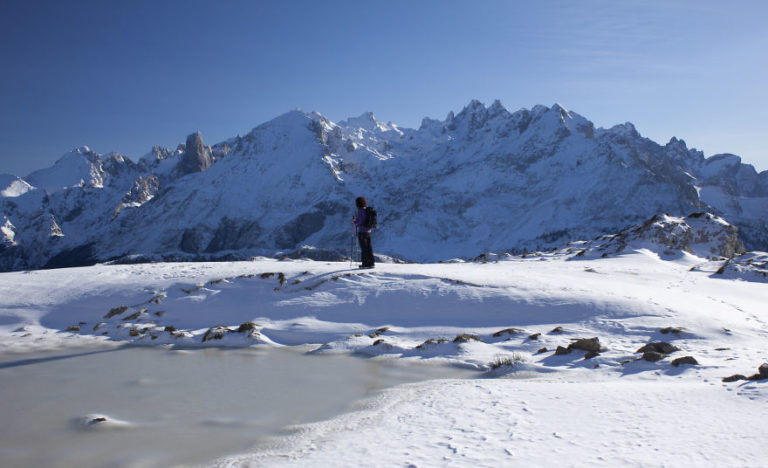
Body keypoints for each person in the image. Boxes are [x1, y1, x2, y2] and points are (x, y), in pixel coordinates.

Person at [353, 196, 375, 269]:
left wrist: (354, 221)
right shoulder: (367, 210)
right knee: (369, 247)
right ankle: (371, 262)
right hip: (368, 231)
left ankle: (365, 263)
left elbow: (359, 222)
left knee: (364, 248)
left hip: (362, 232)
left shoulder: (360, 211)